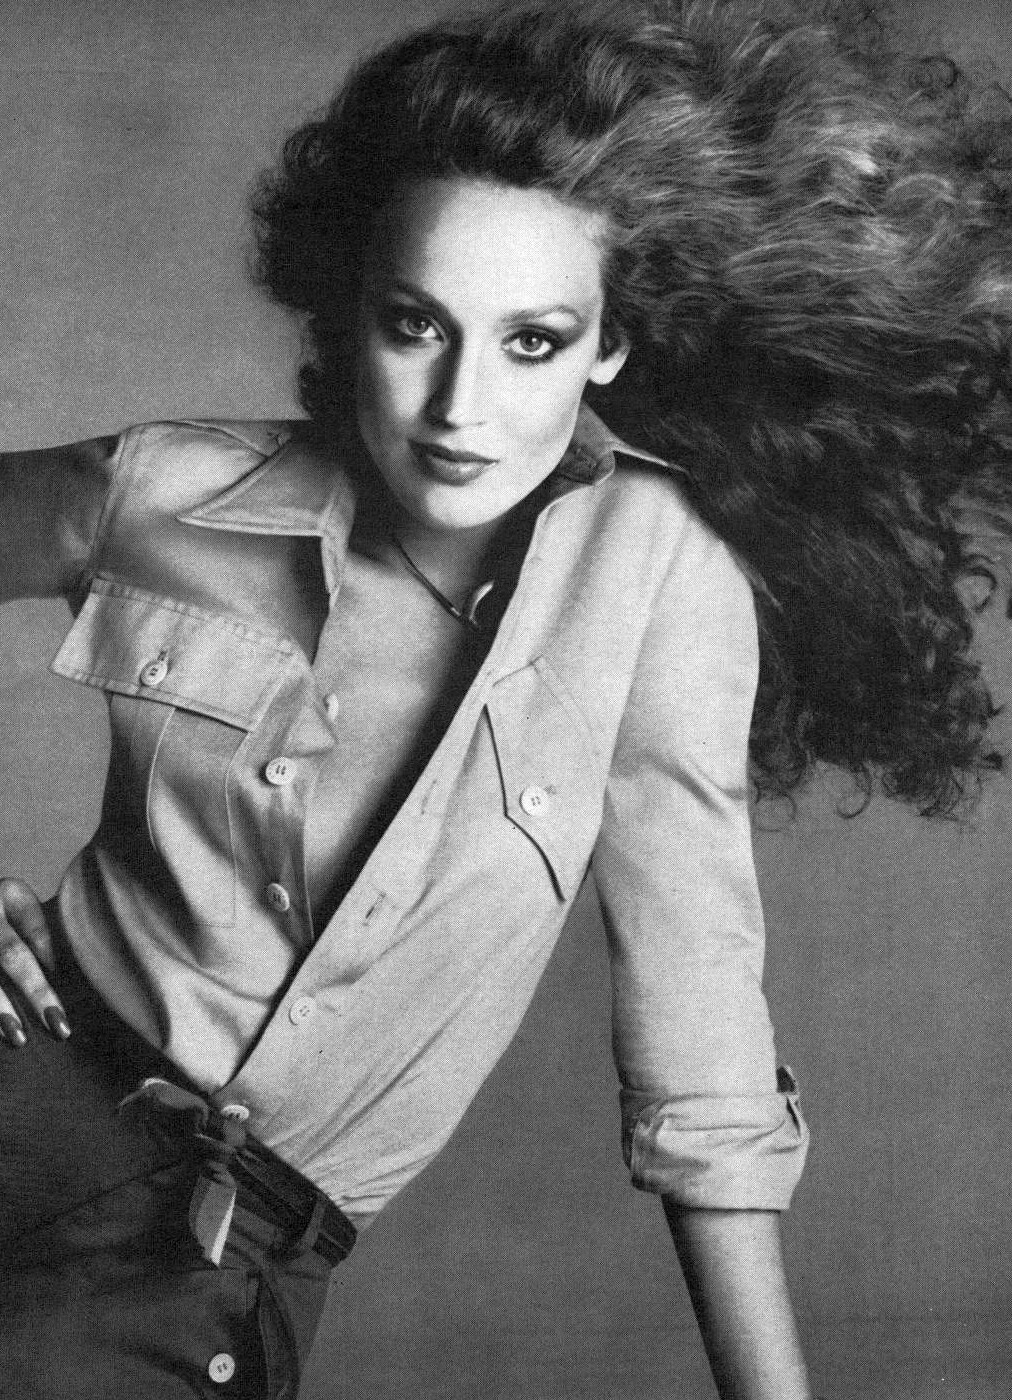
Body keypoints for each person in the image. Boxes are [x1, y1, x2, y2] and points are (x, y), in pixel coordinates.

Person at [0, 0, 1009, 1396]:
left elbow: (699, 1023)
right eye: (418, 325)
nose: (460, 406)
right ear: (352, 308)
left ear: (612, 347)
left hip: (207, 1253)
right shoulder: (167, 490)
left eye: (532, 341)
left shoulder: (658, 572)